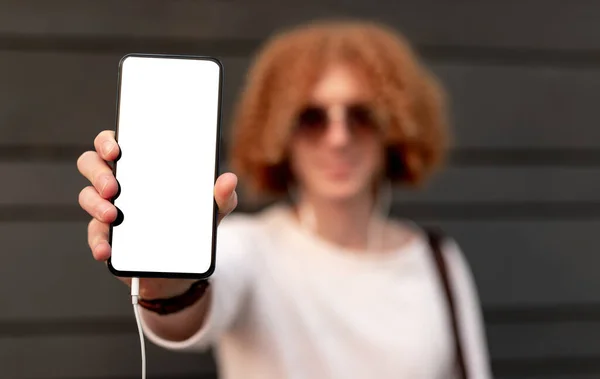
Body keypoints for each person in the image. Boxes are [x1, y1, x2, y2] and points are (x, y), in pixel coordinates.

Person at [77, 20, 492, 379]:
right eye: (311, 118)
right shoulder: (248, 248)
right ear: (280, 133)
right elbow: (183, 309)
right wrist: (161, 281)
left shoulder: (437, 259)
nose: (338, 137)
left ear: (395, 128)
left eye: (362, 115)